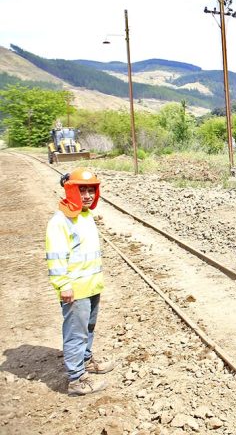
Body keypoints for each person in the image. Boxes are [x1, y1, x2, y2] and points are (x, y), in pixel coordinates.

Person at [46, 168, 115, 396]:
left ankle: (85, 360)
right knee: (76, 333)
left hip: (92, 285)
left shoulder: (84, 215)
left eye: (91, 190)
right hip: (75, 290)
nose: (87, 195)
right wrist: (63, 285)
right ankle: (76, 380)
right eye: (82, 190)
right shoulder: (60, 221)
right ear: (70, 190)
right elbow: (56, 256)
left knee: (88, 328)